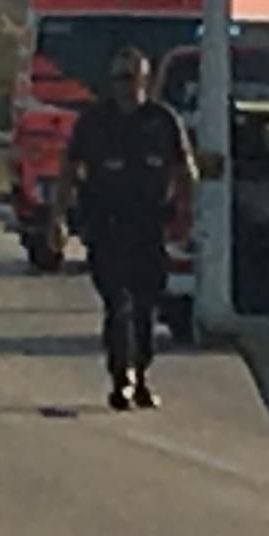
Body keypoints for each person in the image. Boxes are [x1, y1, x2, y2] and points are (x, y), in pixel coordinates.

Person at [55, 45, 192, 411]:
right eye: (116, 78)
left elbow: (184, 170)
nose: (122, 87)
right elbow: (69, 169)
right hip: (106, 225)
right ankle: (121, 378)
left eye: (129, 78)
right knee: (118, 304)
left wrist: (186, 214)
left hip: (149, 226)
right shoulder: (95, 122)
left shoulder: (162, 120)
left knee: (146, 306)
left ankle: (141, 374)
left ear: (144, 80)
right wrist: (57, 218)